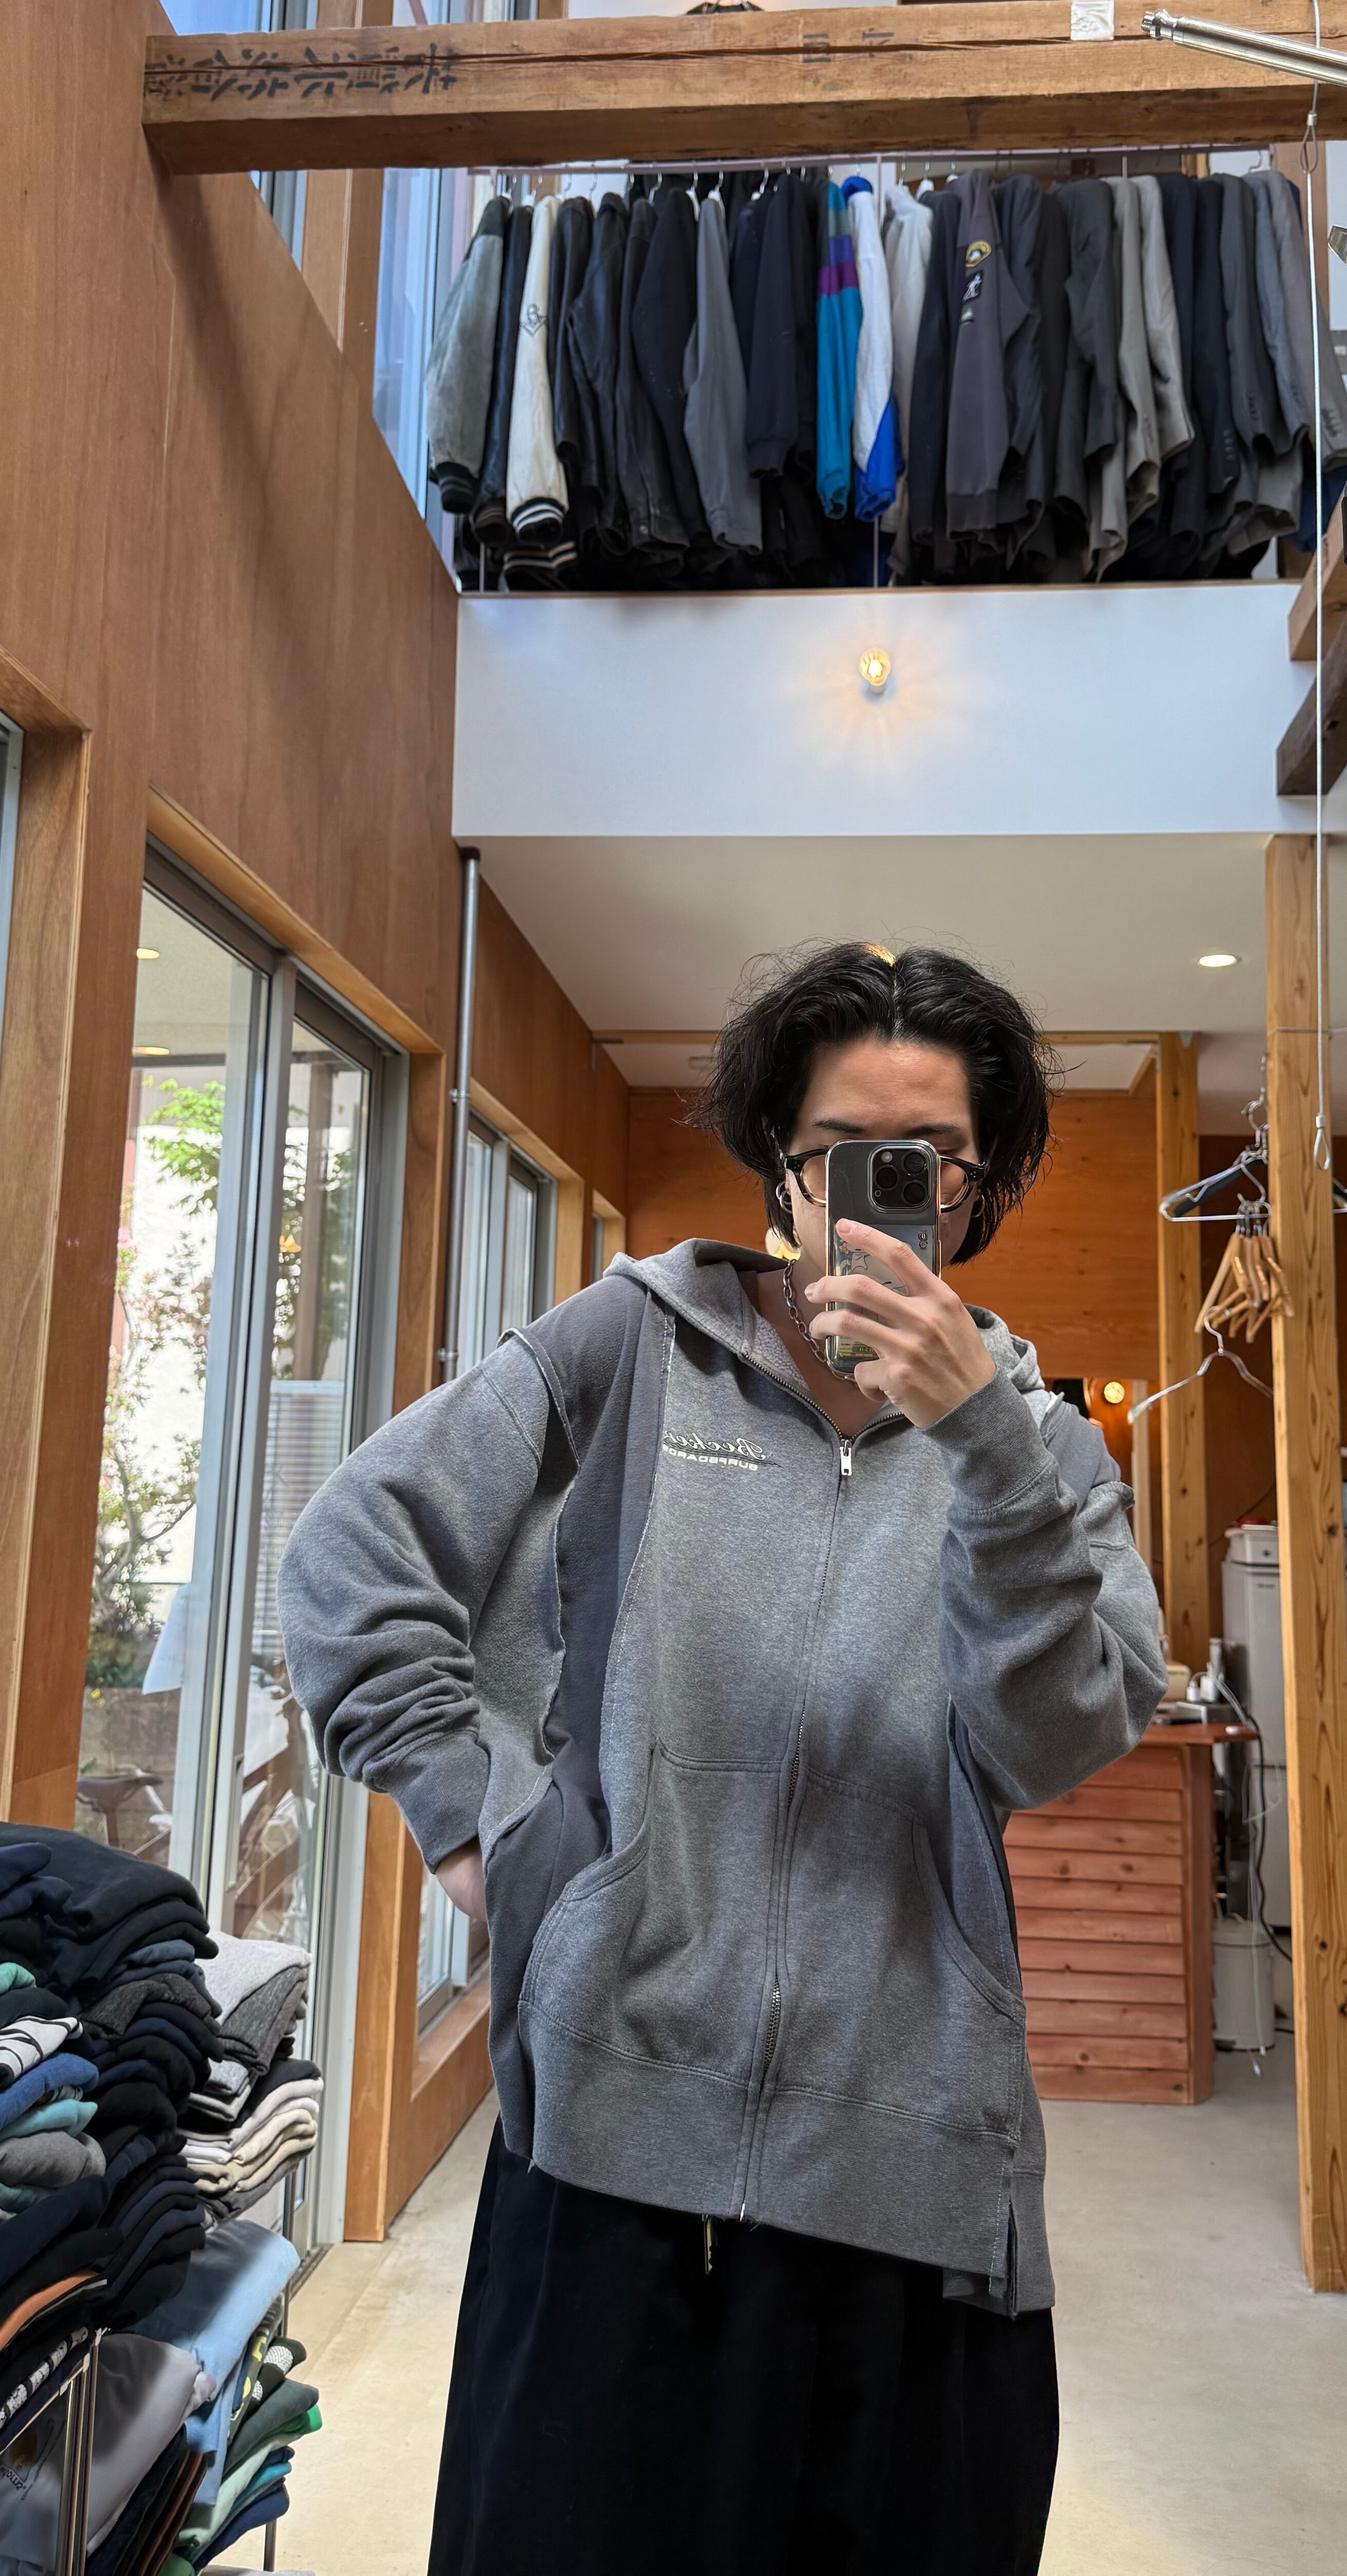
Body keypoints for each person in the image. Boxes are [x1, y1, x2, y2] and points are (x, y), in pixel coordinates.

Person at [279, 941, 1164, 2574]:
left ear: (979, 1190)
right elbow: (352, 1553)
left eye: (931, 1161)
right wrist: (481, 1834)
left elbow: (1055, 1738)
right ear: (777, 1162)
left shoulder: (1038, 1445)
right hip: (611, 2159)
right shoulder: (623, 1352)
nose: (883, 1198)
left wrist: (980, 1443)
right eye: (841, 1156)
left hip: (911, 2185)